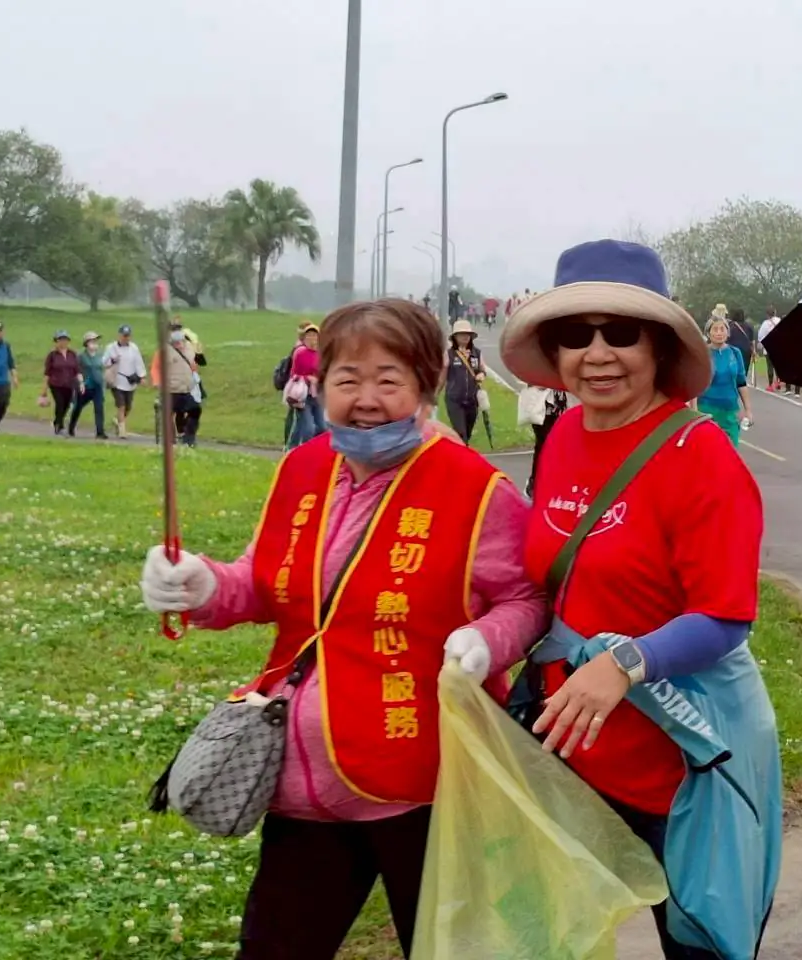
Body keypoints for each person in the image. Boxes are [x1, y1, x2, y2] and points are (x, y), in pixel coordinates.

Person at [140, 298, 545, 958]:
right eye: (347, 379)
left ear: (425, 386)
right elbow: (266, 583)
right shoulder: (303, 469)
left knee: (450, 948)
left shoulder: (477, 490)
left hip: (427, 781)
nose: (366, 400)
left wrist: (487, 641)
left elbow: (529, 601)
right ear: (320, 382)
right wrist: (204, 585)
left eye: (389, 380)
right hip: (304, 786)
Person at [500, 239, 780, 960]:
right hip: (573, 754)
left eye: (620, 332)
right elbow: (554, 574)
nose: (598, 352)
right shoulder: (562, 433)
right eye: (575, 334)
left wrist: (624, 663)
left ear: (657, 345)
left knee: (699, 946)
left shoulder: (701, 456)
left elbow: (724, 615)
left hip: (679, 764)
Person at [697, 317, 752, 446]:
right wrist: (693, 410)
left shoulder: (735, 353)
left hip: (730, 411)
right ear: (708, 333)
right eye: (715, 329)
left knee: (731, 451)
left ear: (728, 333)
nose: (719, 333)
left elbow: (741, 382)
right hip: (706, 410)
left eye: (722, 329)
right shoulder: (703, 353)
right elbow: (695, 383)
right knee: (708, 452)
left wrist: (748, 410)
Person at [155, 325, 202, 447]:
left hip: (186, 390)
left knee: (195, 410)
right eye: (176, 343)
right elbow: (157, 368)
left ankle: (189, 437)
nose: (179, 345)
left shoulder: (189, 349)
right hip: (171, 390)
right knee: (169, 415)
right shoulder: (165, 352)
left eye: (180, 342)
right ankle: (171, 441)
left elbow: (194, 363)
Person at [520, 384, 569, 498]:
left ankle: (552, 482)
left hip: (559, 402)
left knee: (559, 444)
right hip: (541, 403)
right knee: (544, 443)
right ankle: (535, 483)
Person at [444, 319, 485, 446]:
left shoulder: (476, 353)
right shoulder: (449, 354)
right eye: (461, 334)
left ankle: (460, 456)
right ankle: (462, 462)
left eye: (468, 334)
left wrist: (481, 375)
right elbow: (442, 375)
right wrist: (434, 394)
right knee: (461, 434)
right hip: (455, 400)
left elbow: (483, 370)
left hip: (472, 400)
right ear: (455, 337)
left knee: (467, 432)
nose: (465, 337)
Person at [286, 323, 326, 449]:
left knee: (322, 428)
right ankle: (295, 450)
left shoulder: (322, 354)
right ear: (304, 338)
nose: (312, 338)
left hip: (317, 395)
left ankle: (309, 449)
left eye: (315, 336)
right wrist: (306, 378)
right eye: (309, 336)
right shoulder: (300, 353)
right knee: (308, 428)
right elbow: (293, 375)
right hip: (302, 395)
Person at [103, 324, 145, 438]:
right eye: (123, 335)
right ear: (119, 335)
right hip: (116, 381)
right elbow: (103, 362)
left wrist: (141, 376)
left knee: (128, 406)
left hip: (130, 381)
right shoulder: (111, 348)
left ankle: (118, 421)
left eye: (127, 336)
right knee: (121, 405)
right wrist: (112, 360)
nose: (125, 338)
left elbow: (138, 362)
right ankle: (122, 431)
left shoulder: (134, 348)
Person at [68, 331, 108, 439]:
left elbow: (101, 368)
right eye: (93, 341)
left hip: (98, 386)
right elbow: (77, 370)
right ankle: (71, 428)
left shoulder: (100, 355)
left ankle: (100, 432)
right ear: (87, 343)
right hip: (86, 386)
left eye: (96, 341)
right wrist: (80, 383)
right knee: (78, 407)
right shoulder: (81, 356)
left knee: (99, 408)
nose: (95, 343)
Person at [42, 330, 82, 436]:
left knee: (66, 405)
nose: (63, 342)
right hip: (56, 384)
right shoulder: (52, 355)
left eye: (65, 339)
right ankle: (60, 426)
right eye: (61, 339)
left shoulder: (72, 354)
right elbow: (47, 372)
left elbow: (77, 369)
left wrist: (81, 382)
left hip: (69, 384)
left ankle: (57, 421)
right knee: (59, 403)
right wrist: (44, 389)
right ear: (56, 341)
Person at [726, 308, 755, 384]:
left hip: (733, 351)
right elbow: (752, 340)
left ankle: (734, 383)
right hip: (746, 351)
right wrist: (754, 351)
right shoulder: (749, 326)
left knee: (734, 368)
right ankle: (741, 383)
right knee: (744, 369)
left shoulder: (730, 326)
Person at [757, 306, 780, 391]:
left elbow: (760, 336)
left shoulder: (765, 323)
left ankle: (770, 385)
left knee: (770, 366)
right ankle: (778, 382)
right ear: (775, 312)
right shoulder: (779, 320)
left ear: (767, 314)